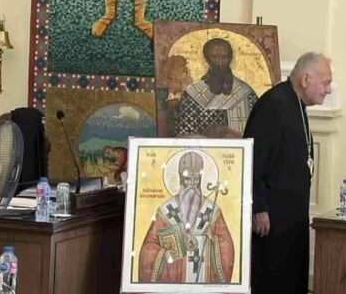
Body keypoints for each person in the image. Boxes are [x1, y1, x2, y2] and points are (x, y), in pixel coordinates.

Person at [244, 52, 332, 294]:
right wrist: (258, 207)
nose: (328, 90)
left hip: (291, 217)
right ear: (306, 79)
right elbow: (254, 159)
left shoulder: (295, 104)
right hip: (272, 220)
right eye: (325, 83)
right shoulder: (274, 105)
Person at [139, 151, 234, 283]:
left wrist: (212, 241)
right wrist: (166, 254)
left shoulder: (212, 211)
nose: (192, 184)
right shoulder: (166, 210)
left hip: (204, 276)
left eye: (196, 179)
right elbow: (148, 248)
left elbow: (227, 247)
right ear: (180, 179)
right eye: (187, 179)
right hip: (174, 278)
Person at [175, 38, 258, 137]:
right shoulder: (192, 94)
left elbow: (259, 128)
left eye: (224, 57)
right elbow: (184, 134)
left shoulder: (246, 93)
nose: (220, 63)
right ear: (207, 58)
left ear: (231, 58)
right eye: (214, 57)